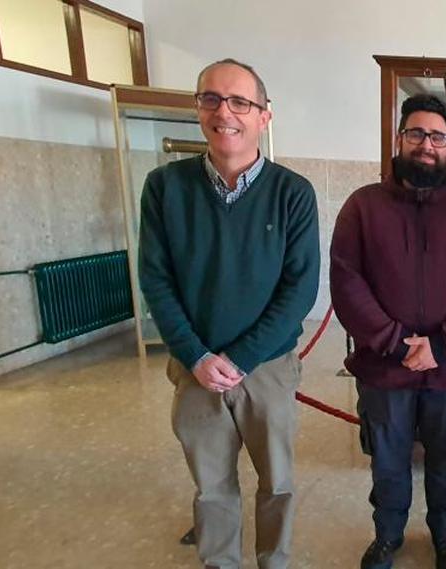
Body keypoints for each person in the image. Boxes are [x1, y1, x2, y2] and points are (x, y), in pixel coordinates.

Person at [139, 58, 320, 569]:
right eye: (211, 99)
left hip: (267, 367)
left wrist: (240, 356)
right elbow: (155, 279)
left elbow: (299, 290)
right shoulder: (165, 188)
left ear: (265, 115)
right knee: (211, 486)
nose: (225, 112)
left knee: (278, 480)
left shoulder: (292, 193)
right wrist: (195, 355)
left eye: (241, 101)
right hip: (196, 368)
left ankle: (273, 560)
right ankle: (220, 562)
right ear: (197, 109)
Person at [330, 94, 446, 569]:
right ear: (399, 140)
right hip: (385, 368)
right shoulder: (363, 207)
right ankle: (387, 536)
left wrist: (443, 345)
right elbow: (346, 280)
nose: (427, 145)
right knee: (387, 462)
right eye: (417, 134)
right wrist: (394, 341)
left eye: (438, 137)